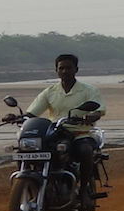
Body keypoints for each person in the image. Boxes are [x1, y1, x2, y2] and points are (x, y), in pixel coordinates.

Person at [24, 54, 107, 199]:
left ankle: (83, 192)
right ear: (56, 70)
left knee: (85, 151)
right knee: (26, 150)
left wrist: (91, 116)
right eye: (61, 68)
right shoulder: (50, 92)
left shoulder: (88, 90)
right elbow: (32, 112)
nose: (64, 71)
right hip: (55, 133)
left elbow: (98, 110)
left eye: (68, 68)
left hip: (80, 133)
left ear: (76, 69)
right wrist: (20, 117)